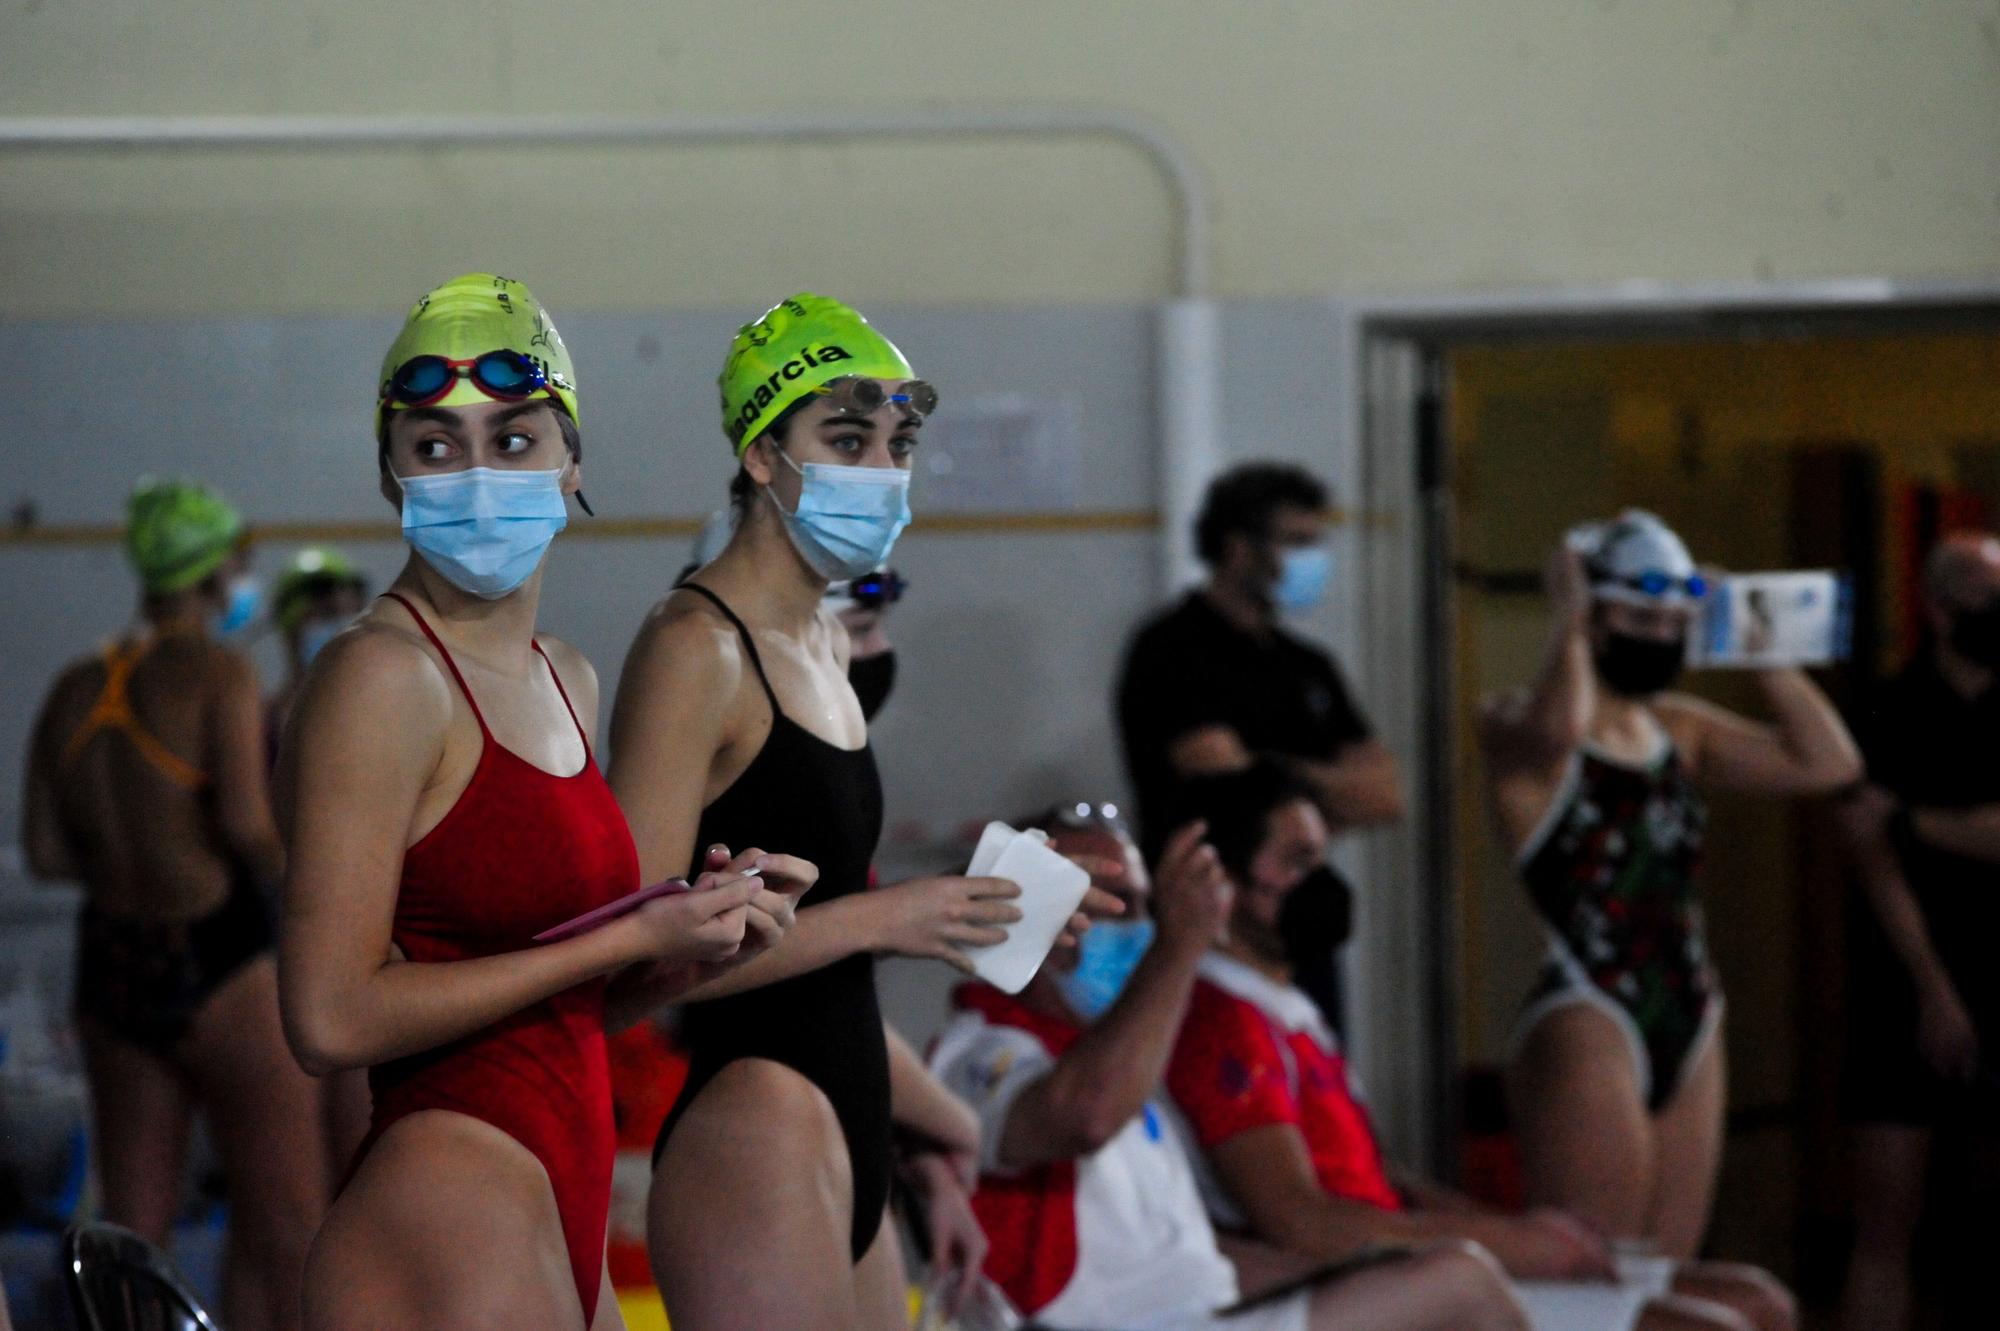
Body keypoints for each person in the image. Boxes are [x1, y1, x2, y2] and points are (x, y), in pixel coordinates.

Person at [277, 273, 795, 1331]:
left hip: (557, 1182)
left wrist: (680, 956)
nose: (474, 473)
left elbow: (552, 1011)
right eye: (434, 445)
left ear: (571, 466)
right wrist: (620, 936)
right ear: (391, 477)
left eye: (512, 440)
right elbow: (328, 1016)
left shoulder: (567, 672)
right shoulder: (381, 676)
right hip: (448, 1189)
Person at [613, 294, 1032, 1331]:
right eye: (845, 438)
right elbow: (627, 958)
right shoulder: (692, 645)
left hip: (851, 1130)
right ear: (761, 455)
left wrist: (929, 1129)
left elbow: (828, 940)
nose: (879, 470)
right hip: (752, 1127)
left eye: (895, 443)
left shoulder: (827, 643)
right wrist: (892, 919)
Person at [1164, 767, 1800, 1331]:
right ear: (1222, 879)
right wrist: (1514, 1248)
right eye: (1297, 861)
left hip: (1406, 1253)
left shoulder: (1284, 1011)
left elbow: (1378, 1183)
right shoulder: (1219, 1021)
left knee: (1759, 1300)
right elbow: (1303, 1223)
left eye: (1322, 857)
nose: (1320, 881)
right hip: (1366, 1284)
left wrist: (1516, 1230)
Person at [931, 803, 1532, 1331]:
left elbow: (1196, 1264)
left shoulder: (1112, 1054)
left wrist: (1347, 1274)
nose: (1142, 931)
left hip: (1205, 1314)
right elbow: (1085, 1114)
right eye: (1117, 909)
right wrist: (1181, 948)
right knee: (1462, 1283)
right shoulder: (975, 1051)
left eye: (1149, 911)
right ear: (1032, 923)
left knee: (1446, 1276)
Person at [1480, 513, 1860, 1257]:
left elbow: (1829, 763)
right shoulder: (1509, 720)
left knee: (1669, 1273)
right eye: (1639, 615)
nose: (1659, 635)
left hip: (1690, 1008)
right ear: (1594, 612)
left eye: (1673, 621)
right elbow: (1559, 730)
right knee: (1594, 1268)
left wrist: (1753, 638)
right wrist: (1569, 614)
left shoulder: (1681, 730)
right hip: (1588, 1006)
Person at [21, 478, 324, 1331]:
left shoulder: (75, 686)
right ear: (218, 569)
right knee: (286, 1226)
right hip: (220, 962)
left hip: (114, 966)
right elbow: (248, 829)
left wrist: (132, 850)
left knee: (132, 1234)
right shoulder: (220, 674)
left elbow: (43, 852)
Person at [1116, 463, 1401, 1032]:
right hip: (1208, 926)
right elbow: (1229, 787)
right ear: (1238, 549)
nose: (1311, 559)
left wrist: (1274, 769)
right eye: (1296, 542)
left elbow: (1385, 795)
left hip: (1299, 923)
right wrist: (1315, 790)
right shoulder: (1175, 649)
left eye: (1316, 543)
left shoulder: (1306, 665)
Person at [1833, 532, 2000, 1331]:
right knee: (1885, 1221)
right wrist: (1933, 987)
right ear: (1939, 608)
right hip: (1902, 982)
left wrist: (1911, 818)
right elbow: (1866, 855)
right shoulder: (1883, 707)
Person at [266, 544, 374, 1181]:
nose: (334, 621)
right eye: (319, 611)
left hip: (359, 946)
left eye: (344, 609)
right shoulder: (257, 719)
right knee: (294, 1180)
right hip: (276, 949)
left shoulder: (383, 712)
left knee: (362, 1154)